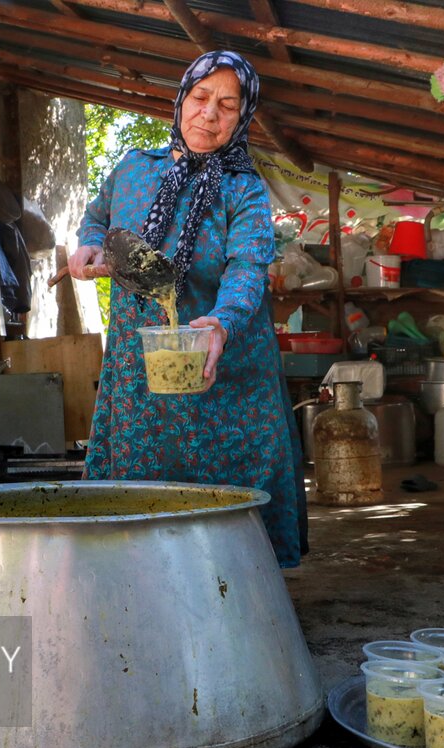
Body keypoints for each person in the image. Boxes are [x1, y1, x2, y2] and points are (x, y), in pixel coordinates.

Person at [70, 51, 307, 568]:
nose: (209, 114)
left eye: (227, 105)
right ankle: (139, 587)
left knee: (230, 487)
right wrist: (88, 246)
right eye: (200, 98)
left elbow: (248, 264)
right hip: (142, 367)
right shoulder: (134, 168)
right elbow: (97, 217)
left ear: (242, 117)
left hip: (223, 366)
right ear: (181, 101)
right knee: (140, 483)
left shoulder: (243, 187)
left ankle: (242, 595)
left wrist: (223, 321)